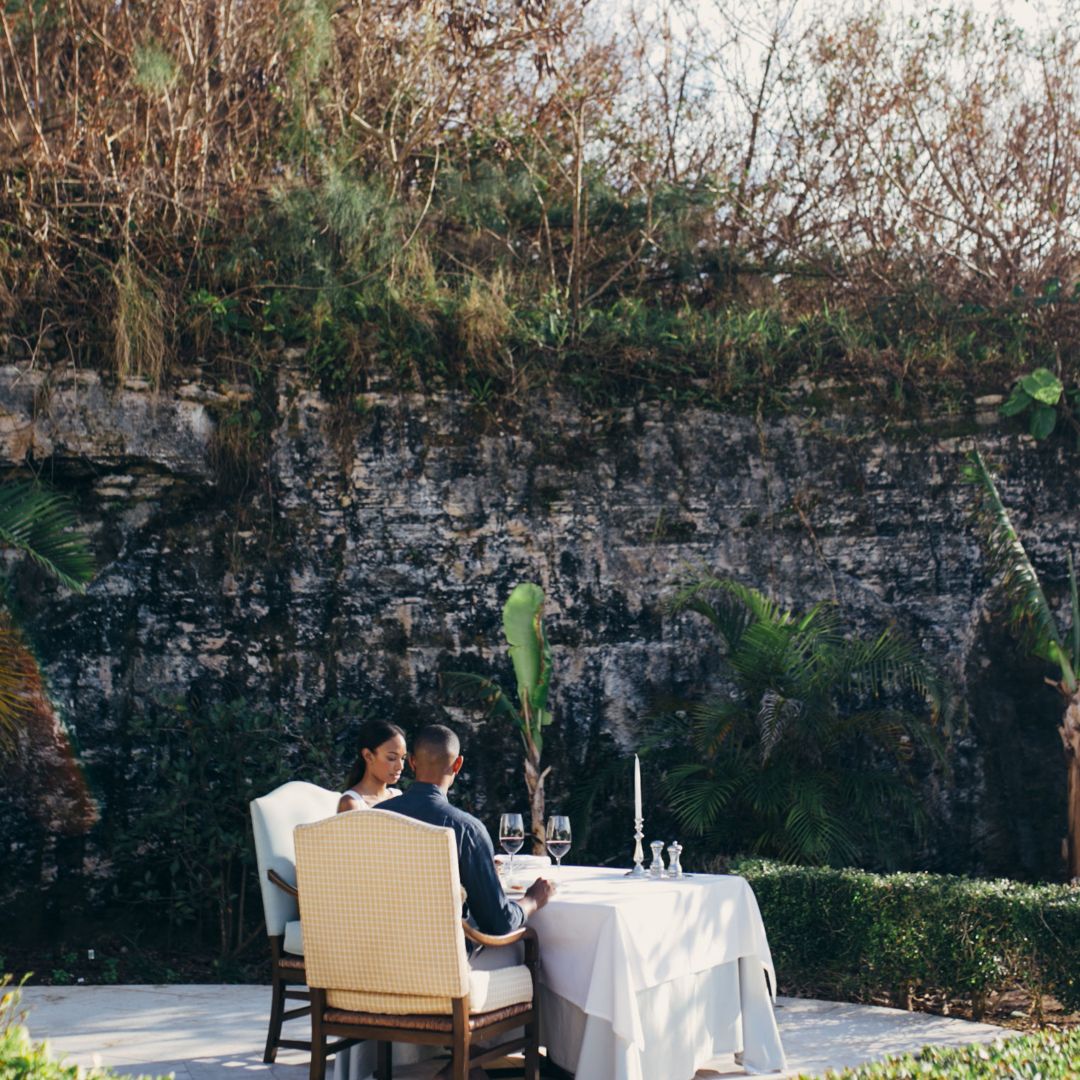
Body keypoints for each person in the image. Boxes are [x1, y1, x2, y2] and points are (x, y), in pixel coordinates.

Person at [378, 723, 555, 935]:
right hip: (442, 957)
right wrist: (533, 899)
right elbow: (498, 923)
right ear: (458, 764)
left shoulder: (372, 819)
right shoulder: (466, 830)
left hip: (376, 951)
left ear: (412, 762)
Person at [337, 719, 407, 813]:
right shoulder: (351, 803)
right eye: (392, 758)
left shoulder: (398, 796)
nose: (400, 766)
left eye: (403, 758)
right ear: (368, 756)